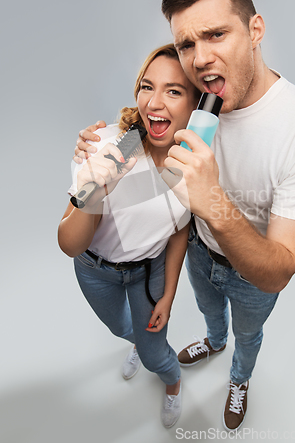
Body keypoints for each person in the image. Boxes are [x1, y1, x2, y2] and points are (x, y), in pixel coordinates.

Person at [75, 0, 295, 432]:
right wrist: (94, 169)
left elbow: (279, 270)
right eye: (186, 44)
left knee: (248, 332)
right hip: (197, 251)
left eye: (216, 34)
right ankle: (212, 342)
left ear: (255, 29)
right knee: (210, 314)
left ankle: (239, 378)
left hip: (253, 274)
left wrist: (213, 200)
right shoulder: (193, 102)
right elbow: (146, 157)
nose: (199, 59)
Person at [58, 44, 201, 428]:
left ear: (195, 103)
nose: (154, 102)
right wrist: (92, 193)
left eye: (173, 91)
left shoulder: (191, 166)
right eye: (146, 86)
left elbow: (178, 231)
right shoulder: (109, 146)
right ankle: (139, 341)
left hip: (147, 271)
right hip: (94, 269)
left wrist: (168, 294)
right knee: (122, 328)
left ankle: (172, 382)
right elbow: (69, 243)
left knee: (156, 354)